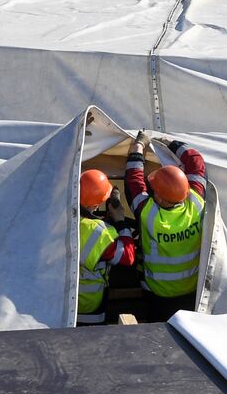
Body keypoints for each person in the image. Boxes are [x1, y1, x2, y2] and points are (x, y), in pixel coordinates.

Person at [125, 131, 207, 322]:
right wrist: (170, 142)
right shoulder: (196, 202)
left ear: (160, 197)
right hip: (192, 291)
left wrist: (138, 147)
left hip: (158, 295)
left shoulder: (149, 214)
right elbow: (196, 163)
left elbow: (133, 179)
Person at [77, 169, 136, 326]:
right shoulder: (99, 232)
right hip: (88, 307)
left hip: (56, 302)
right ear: (96, 204)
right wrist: (121, 221)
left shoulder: (55, 216)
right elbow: (128, 257)